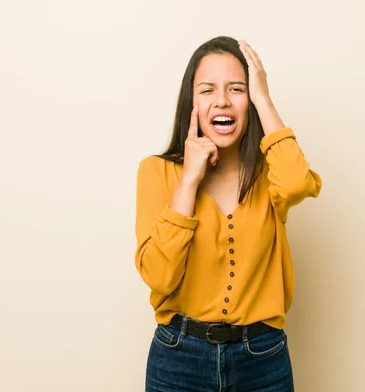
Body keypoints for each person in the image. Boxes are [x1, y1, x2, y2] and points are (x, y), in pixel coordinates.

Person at [134, 35, 322, 391]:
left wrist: (263, 97)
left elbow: (298, 184)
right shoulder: (156, 172)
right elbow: (159, 276)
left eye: (237, 89)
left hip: (263, 358)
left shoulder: (270, 174)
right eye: (207, 90)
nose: (222, 100)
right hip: (177, 359)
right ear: (192, 103)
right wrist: (189, 181)